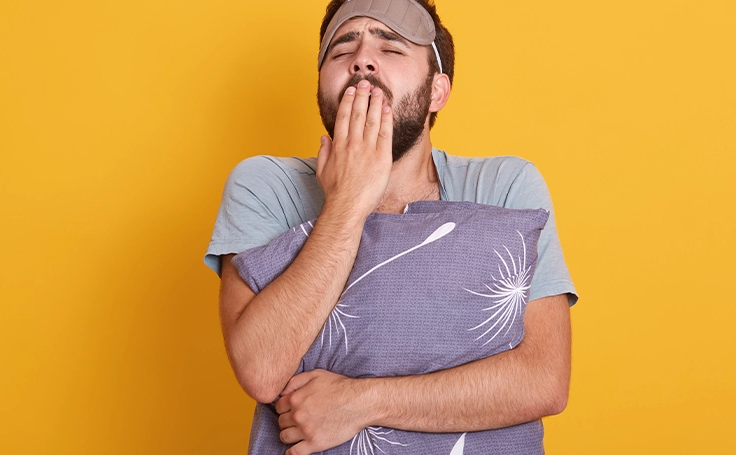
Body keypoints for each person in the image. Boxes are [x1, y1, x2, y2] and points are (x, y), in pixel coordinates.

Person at [204, 0, 578, 453]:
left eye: (392, 47)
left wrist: (361, 402)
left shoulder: (504, 186)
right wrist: (348, 200)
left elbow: (543, 380)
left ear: (438, 90)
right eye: (342, 50)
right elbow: (262, 370)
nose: (361, 58)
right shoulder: (265, 186)